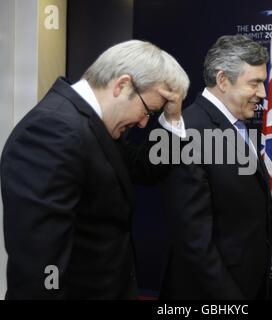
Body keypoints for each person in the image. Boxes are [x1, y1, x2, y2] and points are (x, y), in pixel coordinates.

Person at [0, 40, 189, 299]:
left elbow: (146, 169)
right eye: (148, 111)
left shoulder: (98, 125)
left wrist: (173, 118)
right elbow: (41, 264)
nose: (145, 123)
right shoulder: (52, 131)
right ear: (122, 85)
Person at [159, 35, 272, 300]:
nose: (263, 94)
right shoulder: (185, 132)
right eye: (255, 83)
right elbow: (193, 239)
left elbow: (254, 198)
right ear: (223, 80)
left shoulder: (236, 126)